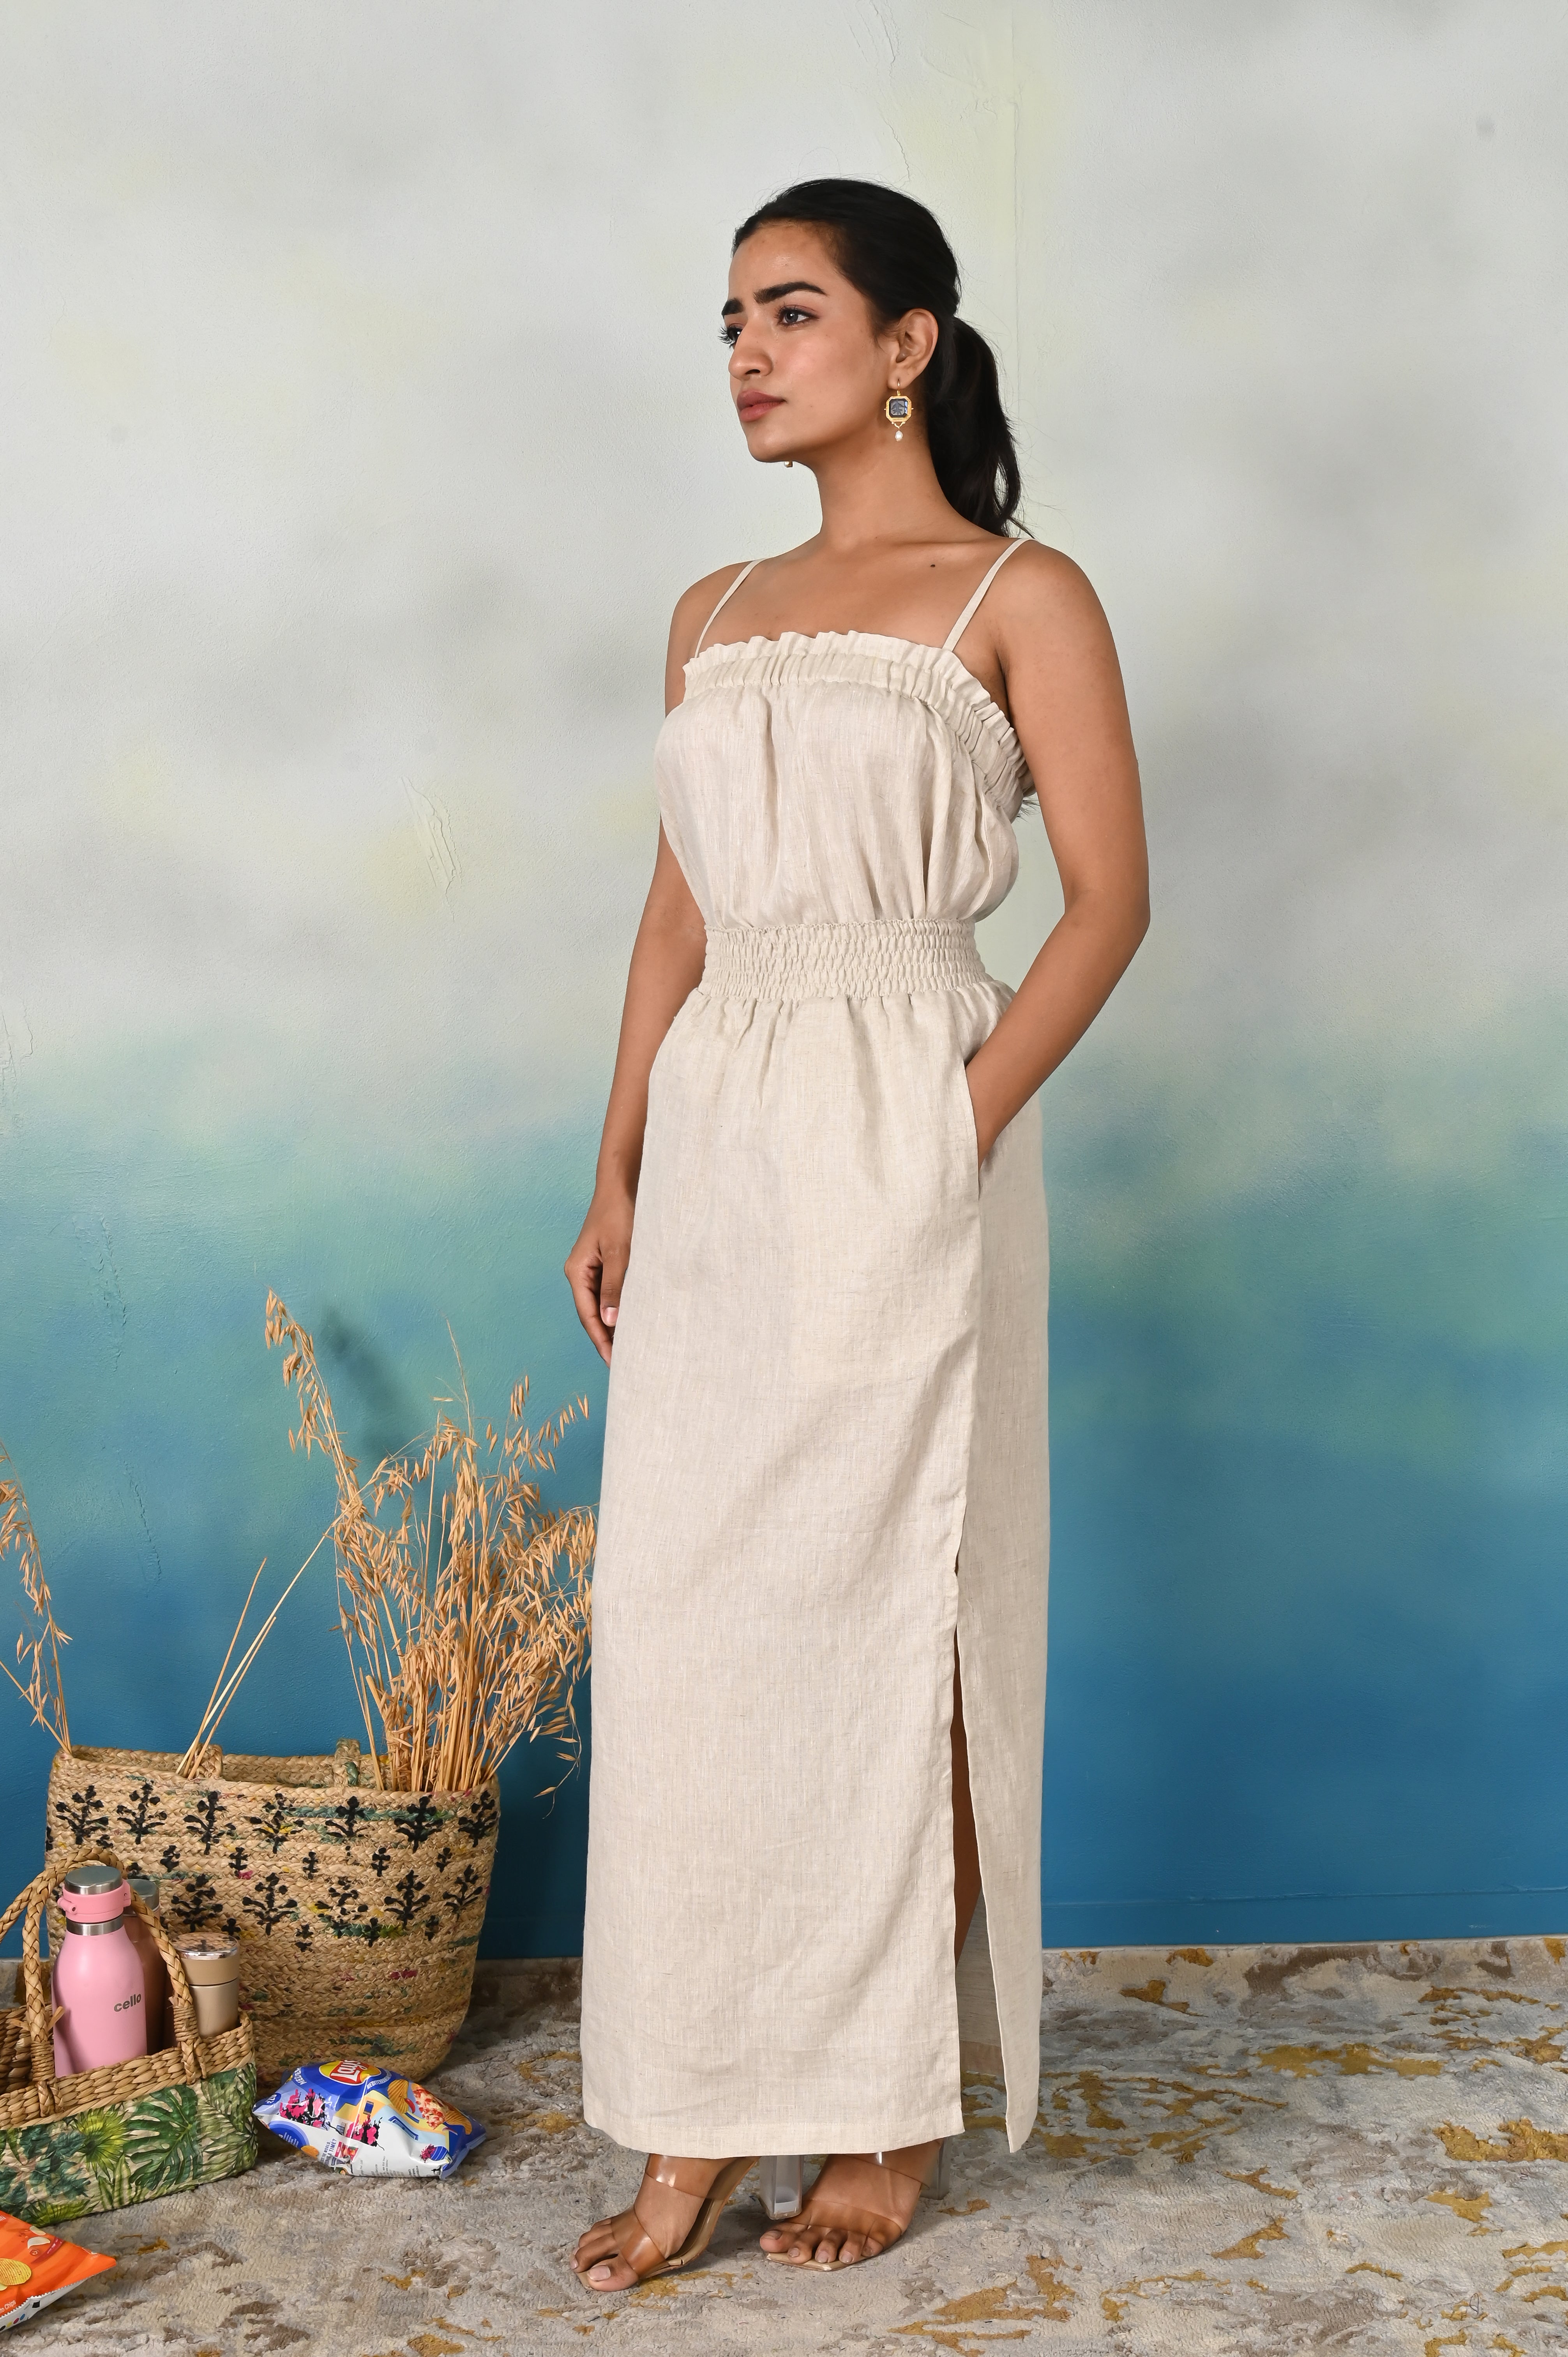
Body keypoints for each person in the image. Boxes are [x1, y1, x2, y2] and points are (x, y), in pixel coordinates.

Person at [564, 178, 1148, 2290]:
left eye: (791, 310)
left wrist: (952, 1128)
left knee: (903, 1602)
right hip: (726, 1130)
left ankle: (885, 2105)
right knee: (699, 1623)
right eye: (729, 317)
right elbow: (678, 912)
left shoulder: (1019, 589)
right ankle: (696, 2104)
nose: (746, 350)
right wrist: (618, 1167)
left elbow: (1107, 906)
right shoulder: (710, 610)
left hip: (912, 1116)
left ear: (909, 344)